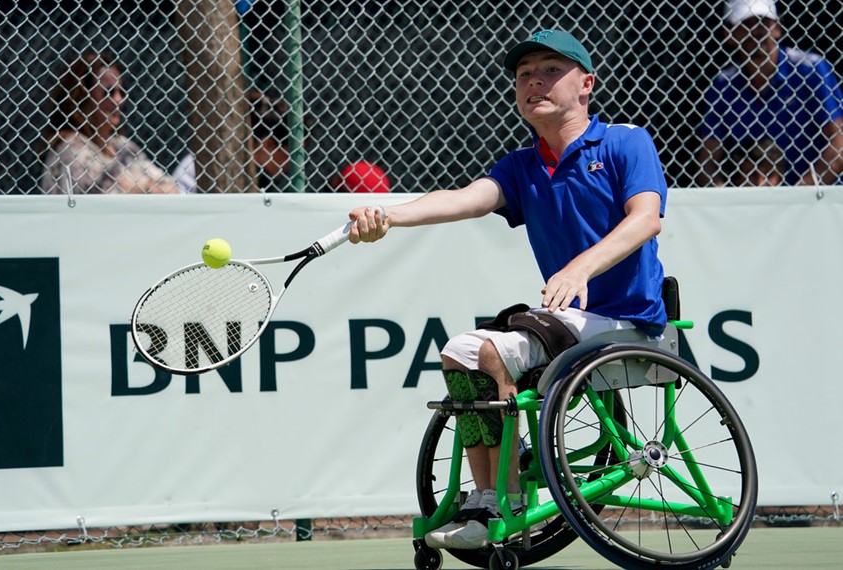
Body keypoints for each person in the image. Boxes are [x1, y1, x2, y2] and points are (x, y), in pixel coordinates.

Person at [347, 28, 667, 550]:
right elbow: (464, 199)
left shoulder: (626, 142)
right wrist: (389, 215)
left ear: (586, 84)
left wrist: (580, 268)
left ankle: (508, 495)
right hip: (574, 323)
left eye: (549, 70)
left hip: (627, 321)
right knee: (460, 352)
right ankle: (487, 496)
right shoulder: (521, 166)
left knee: (490, 348)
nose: (533, 81)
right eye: (524, 75)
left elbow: (646, 220)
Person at [697, 0, 843, 187]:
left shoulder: (811, 70)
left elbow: (839, 145)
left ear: (777, 28)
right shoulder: (724, 85)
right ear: (729, 35)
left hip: (817, 200)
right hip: (755, 205)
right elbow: (708, 160)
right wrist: (726, 201)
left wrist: (800, 195)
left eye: (762, 23)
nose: (755, 32)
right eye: (745, 25)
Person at [41, 52, 180, 194]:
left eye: (121, 92)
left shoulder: (122, 146)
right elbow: (109, 195)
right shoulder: (71, 149)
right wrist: (148, 187)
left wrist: (140, 188)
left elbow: (170, 187)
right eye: (108, 92)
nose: (119, 100)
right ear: (82, 97)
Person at [173, 92, 293, 193]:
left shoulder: (257, 172)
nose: (294, 162)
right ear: (268, 144)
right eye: (291, 153)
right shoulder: (218, 159)